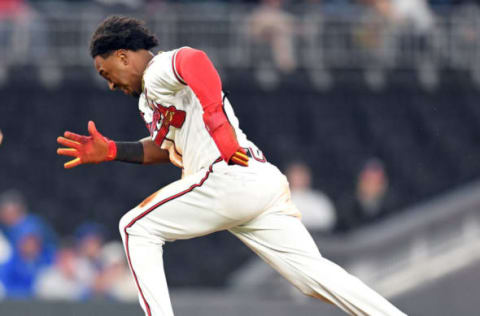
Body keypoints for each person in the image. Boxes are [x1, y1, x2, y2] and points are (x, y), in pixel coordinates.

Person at [56, 16, 405, 316]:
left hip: (225, 174)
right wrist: (114, 150)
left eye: (107, 72)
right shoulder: (149, 98)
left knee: (135, 228)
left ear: (122, 56)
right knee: (313, 277)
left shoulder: (158, 69)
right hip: (255, 183)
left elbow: (196, 61)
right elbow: (166, 149)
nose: (110, 83)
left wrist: (217, 122)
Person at [285, 162, 336, 233]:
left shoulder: (319, 199)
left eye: (302, 174)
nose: (299, 178)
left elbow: (328, 220)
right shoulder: (280, 199)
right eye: (296, 175)